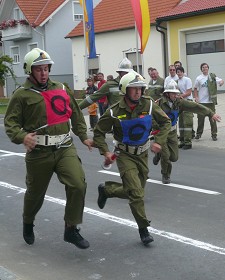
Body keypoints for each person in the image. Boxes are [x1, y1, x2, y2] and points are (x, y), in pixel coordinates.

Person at [4, 48, 93, 249]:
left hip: (64, 147)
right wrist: (22, 136)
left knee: (78, 184)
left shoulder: (61, 87)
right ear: (30, 70)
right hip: (39, 153)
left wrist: (83, 136)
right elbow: (11, 124)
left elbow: (76, 114)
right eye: (39, 69)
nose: (44, 73)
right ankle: (28, 222)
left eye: (46, 69)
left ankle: (71, 228)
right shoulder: (21, 94)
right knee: (35, 194)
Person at [93, 71, 171, 245]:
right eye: (133, 89)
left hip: (142, 154)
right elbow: (98, 132)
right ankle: (143, 230)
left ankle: (106, 190)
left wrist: (159, 141)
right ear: (124, 90)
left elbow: (166, 122)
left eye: (140, 89)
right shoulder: (114, 111)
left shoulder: (149, 105)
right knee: (136, 194)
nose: (138, 92)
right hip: (124, 154)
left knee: (136, 191)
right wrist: (105, 152)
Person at [153, 80, 221, 184]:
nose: (175, 95)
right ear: (167, 93)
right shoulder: (159, 104)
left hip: (172, 133)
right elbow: (151, 117)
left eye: (176, 93)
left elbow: (195, 106)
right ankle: (165, 175)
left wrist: (211, 113)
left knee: (174, 157)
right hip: (161, 133)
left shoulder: (179, 102)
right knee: (166, 156)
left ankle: (159, 154)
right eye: (173, 93)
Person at [194, 63, 224, 141]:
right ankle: (198, 134)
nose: (205, 68)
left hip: (210, 102)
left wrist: (221, 83)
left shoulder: (212, 76)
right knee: (200, 119)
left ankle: (214, 134)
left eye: (206, 67)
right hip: (202, 102)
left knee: (212, 119)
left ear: (208, 68)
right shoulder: (199, 78)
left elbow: (221, 80)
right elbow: (195, 89)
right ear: (201, 69)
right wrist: (196, 97)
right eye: (203, 67)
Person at [176, 66, 194, 149]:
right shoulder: (177, 81)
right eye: (177, 72)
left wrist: (180, 96)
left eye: (180, 72)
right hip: (180, 103)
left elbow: (189, 92)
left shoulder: (187, 80)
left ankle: (188, 142)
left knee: (187, 122)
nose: (178, 73)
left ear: (183, 72)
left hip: (187, 102)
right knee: (181, 123)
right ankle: (182, 141)